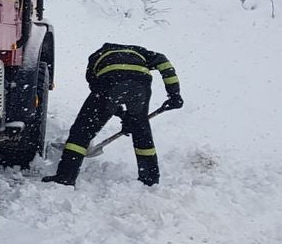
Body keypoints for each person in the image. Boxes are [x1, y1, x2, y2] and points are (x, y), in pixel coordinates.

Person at [44, 43, 183, 187]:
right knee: (141, 132)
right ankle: (150, 179)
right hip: (140, 84)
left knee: (82, 131)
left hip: (110, 82)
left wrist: (120, 113)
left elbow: (101, 95)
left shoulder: (95, 57)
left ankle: (65, 177)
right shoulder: (141, 52)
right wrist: (174, 94)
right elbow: (164, 64)